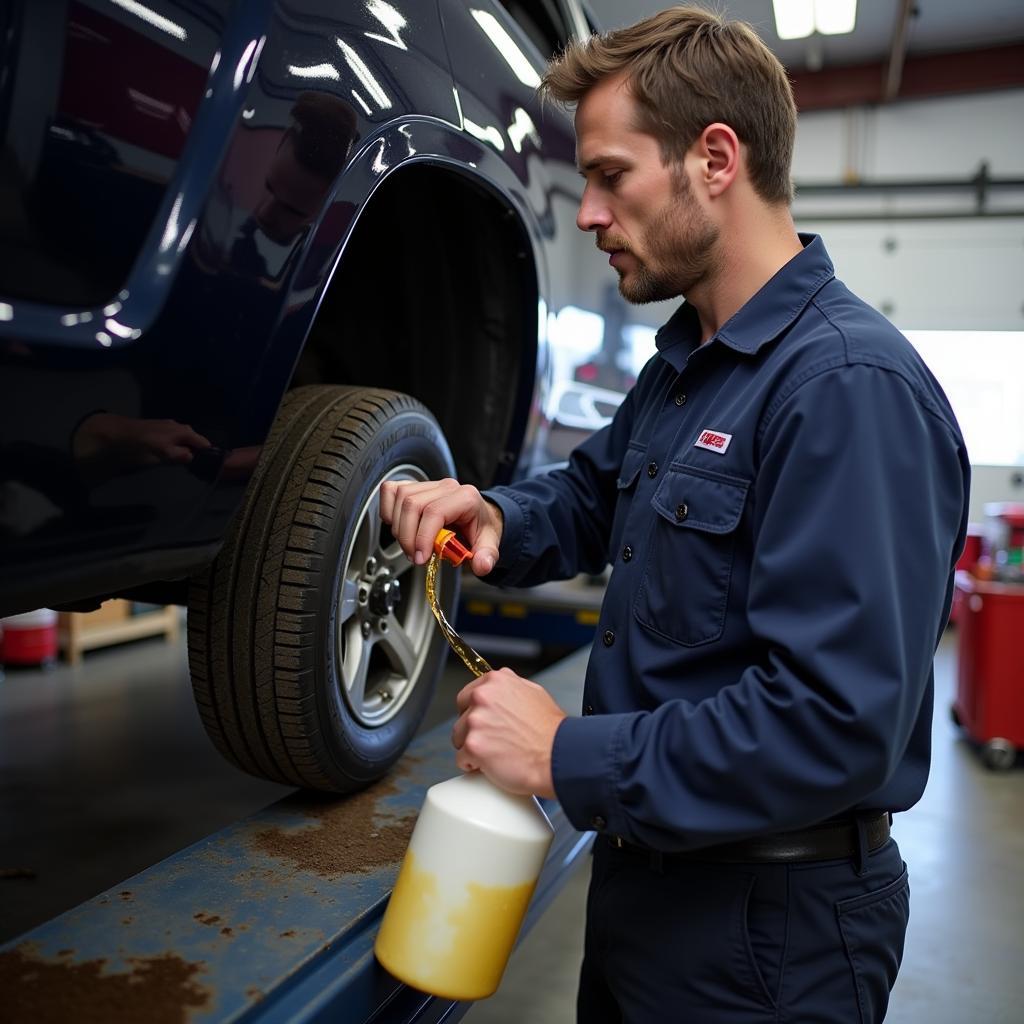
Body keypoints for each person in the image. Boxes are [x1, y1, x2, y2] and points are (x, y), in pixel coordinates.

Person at [380, 6, 970, 1022]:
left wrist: (565, 754)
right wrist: (493, 515)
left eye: (611, 175)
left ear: (714, 159)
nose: (587, 213)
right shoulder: (689, 365)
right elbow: (590, 494)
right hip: (649, 887)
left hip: (766, 934)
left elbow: (836, 726)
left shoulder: (844, 388)